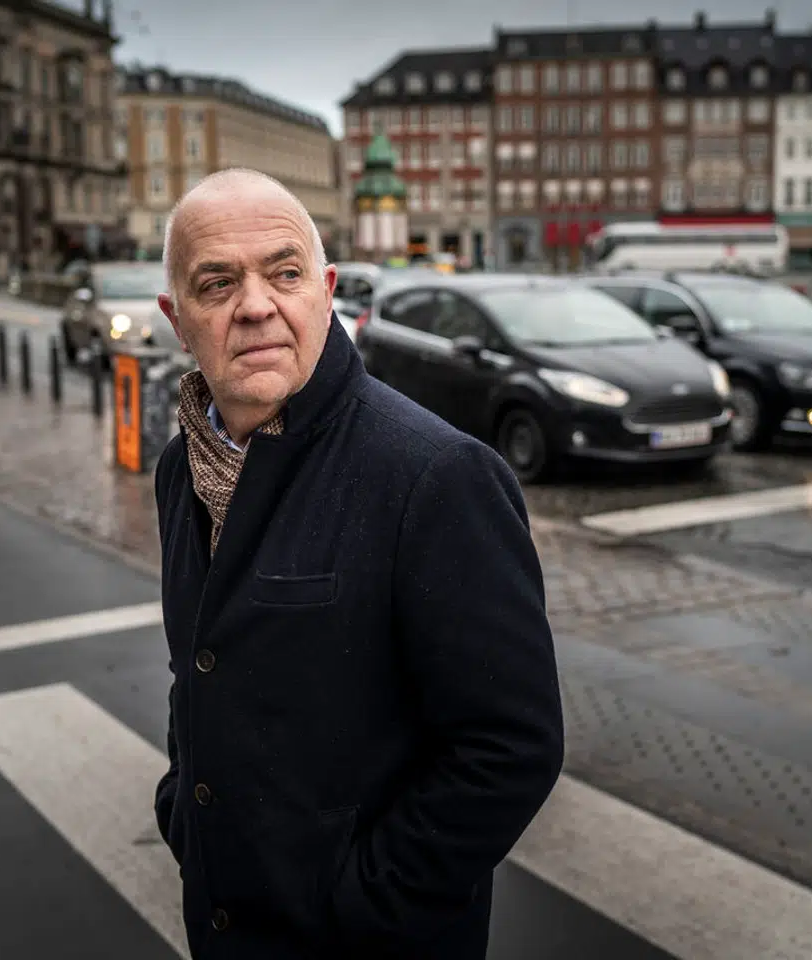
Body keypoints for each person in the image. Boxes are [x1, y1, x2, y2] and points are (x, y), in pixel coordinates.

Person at [152, 168, 565, 959]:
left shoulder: (433, 476)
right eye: (217, 283)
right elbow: (197, 670)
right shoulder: (183, 469)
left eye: (285, 272)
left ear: (326, 288)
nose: (256, 305)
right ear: (178, 319)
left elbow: (510, 748)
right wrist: (185, 811)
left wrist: (362, 903)